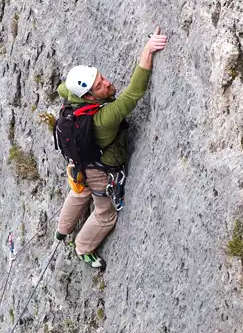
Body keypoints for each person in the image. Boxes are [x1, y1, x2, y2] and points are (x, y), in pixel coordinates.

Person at [55, 26, 168, 269]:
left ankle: (62, 230)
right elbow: (134, 94)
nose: (107, 84)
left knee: (79, 191)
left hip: (79, 162)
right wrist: (147, 50)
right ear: (89, 98)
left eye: (102, 78)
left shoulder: (71, 93)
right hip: (98, 171)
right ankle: (83, 247)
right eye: (99, 87)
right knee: (105, 214)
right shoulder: (104, 119)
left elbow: (62, 87)